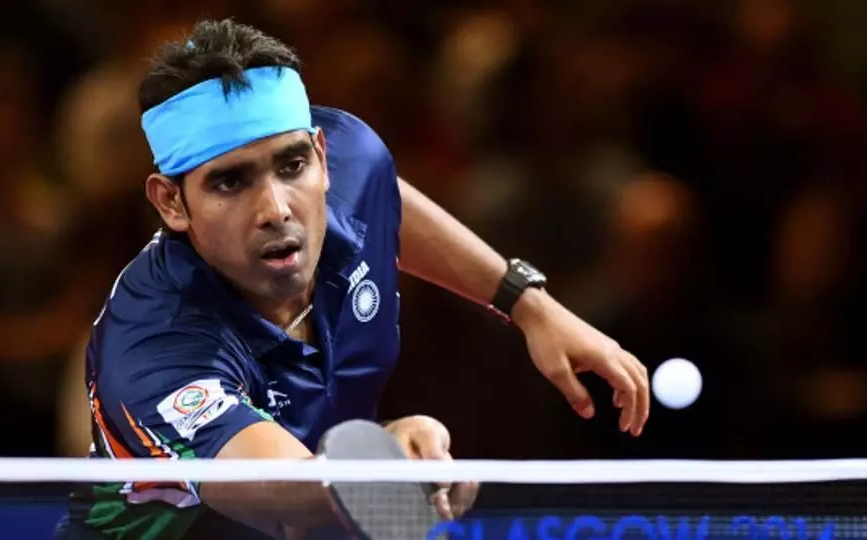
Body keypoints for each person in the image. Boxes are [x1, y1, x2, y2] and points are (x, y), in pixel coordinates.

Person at [56, 19, 649, 539]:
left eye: (293, 165)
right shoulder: (154, 348)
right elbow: (291, 502)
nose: (276, 209)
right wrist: (385, 460)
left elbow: (379, 191)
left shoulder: (348, 161)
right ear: (171, 202)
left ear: (321, 157)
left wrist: (529, 305)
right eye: (230, 182)